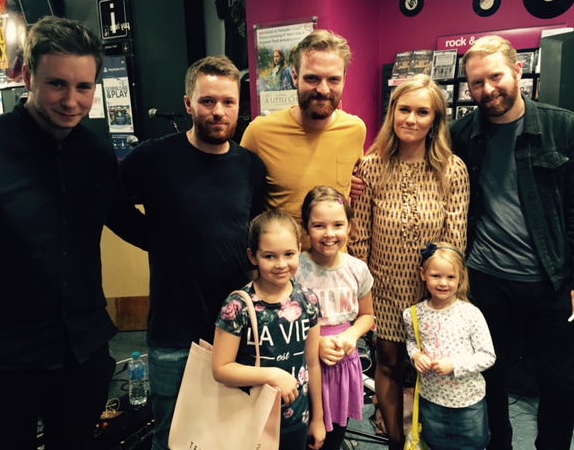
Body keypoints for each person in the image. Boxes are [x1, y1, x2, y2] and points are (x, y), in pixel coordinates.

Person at [0, 16, 137, 449]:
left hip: (82, 351)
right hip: (1, 359)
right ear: (28, 77)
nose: (71, 101)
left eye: (84, 87)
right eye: (57, 84)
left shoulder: (97, 152)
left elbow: (132, 224)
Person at [449, 35, 574, 450]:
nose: (487, 90)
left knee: (562, 384)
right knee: (488, 376)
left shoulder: (561, 126)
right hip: (485, 279)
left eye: (495, 77)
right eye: (476, 83)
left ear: (518, 71)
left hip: (552, 281)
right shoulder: (460, 134)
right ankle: (497, 444)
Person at [118, 55, 266, 449]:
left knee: (230, 435)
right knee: (172, 438)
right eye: (207, 101)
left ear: (239, 105)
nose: (218, 112)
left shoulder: (250, 167)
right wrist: (153, 237)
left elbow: (257, 234)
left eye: (228, 102)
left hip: (235, 330)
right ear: (188, 104)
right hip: (174, 331)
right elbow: (109, 200)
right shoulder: (153, 158)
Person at [349, 74, 470, 450]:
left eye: (422, 112)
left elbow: (455, 242)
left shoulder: (453, 170)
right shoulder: (371, 167)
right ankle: (395, 442)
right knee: (387, 365)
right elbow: (359, 238)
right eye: (404, 109)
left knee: (429, 371)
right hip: (384, 289)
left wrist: (443, 294)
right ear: (392, 112)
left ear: (435, 120)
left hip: (431, 293)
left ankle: (427, 440)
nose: (411, 119)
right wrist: (363, 294)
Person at [212, 209, 325, 450]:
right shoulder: (237, 306)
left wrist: (318, 418)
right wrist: (272, 375)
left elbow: (312, 363)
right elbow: (221, 368)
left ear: (299, 250)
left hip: (296, 419)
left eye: (289, 254)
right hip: (249, 417)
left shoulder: (309, 301)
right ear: (253, 256)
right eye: (270, 256)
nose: (281, 264)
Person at [241, 29, 366, 246]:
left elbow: (353, 180)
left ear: (344, 80)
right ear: (295, 76)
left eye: (333, 79)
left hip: (335, 261)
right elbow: (239, 201)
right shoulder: (259, 133)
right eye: (312, 78)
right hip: (283, 263)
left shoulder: (355, 130)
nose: (323, 89)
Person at [295, 185, 375, 450]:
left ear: (350, 227)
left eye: (338, 225)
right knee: (303, 437)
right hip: (304, 363)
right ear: (305, 228)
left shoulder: (357, 269)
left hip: (342, 365)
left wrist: (351, 334)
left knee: (334, 436)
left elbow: (367, 315)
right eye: (319, 226)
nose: (329, 234)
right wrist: (316, 344)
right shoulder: (295, 269)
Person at [402, 242, 495, 450]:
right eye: (436, 276)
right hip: (431, 400)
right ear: (423, 274)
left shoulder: (471, 314)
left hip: (468, 401)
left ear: (460, 277)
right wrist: (416, 356)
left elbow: (487, 355)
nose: (443, 283)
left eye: (450, 277)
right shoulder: (414, 314)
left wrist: (454, 365)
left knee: (473, 445)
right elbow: (412, 341)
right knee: (436, 444)